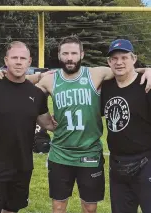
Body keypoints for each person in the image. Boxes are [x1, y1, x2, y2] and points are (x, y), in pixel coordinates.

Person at [36, 35, 151, 213]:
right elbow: (27, 95)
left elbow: (127, 70)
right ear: (59, 55)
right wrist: (44, 121)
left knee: (90, 208)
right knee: (58, 206)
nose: (69, 57)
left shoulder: (96, 73)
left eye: (74, 53)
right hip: (61, 153)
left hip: (90, 152)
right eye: (65, 53)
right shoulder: (50, 79)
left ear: (82, 54)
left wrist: (148, 70)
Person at [0, 41, 56, 213]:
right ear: (6, 60)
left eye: (23, 58)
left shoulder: (36, 94)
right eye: (14, 57)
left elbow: (49, 124)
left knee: (12, 210)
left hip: (22, 166)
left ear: (29, 62)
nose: (19, 62)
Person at [101, 39, 151, 213]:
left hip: (146, 162)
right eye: (114, 59)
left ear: (134, 58)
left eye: (124, 57)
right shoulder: (106, 87)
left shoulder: (147, 84)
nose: (119, 62)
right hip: (117, 165)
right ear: (109, 62)